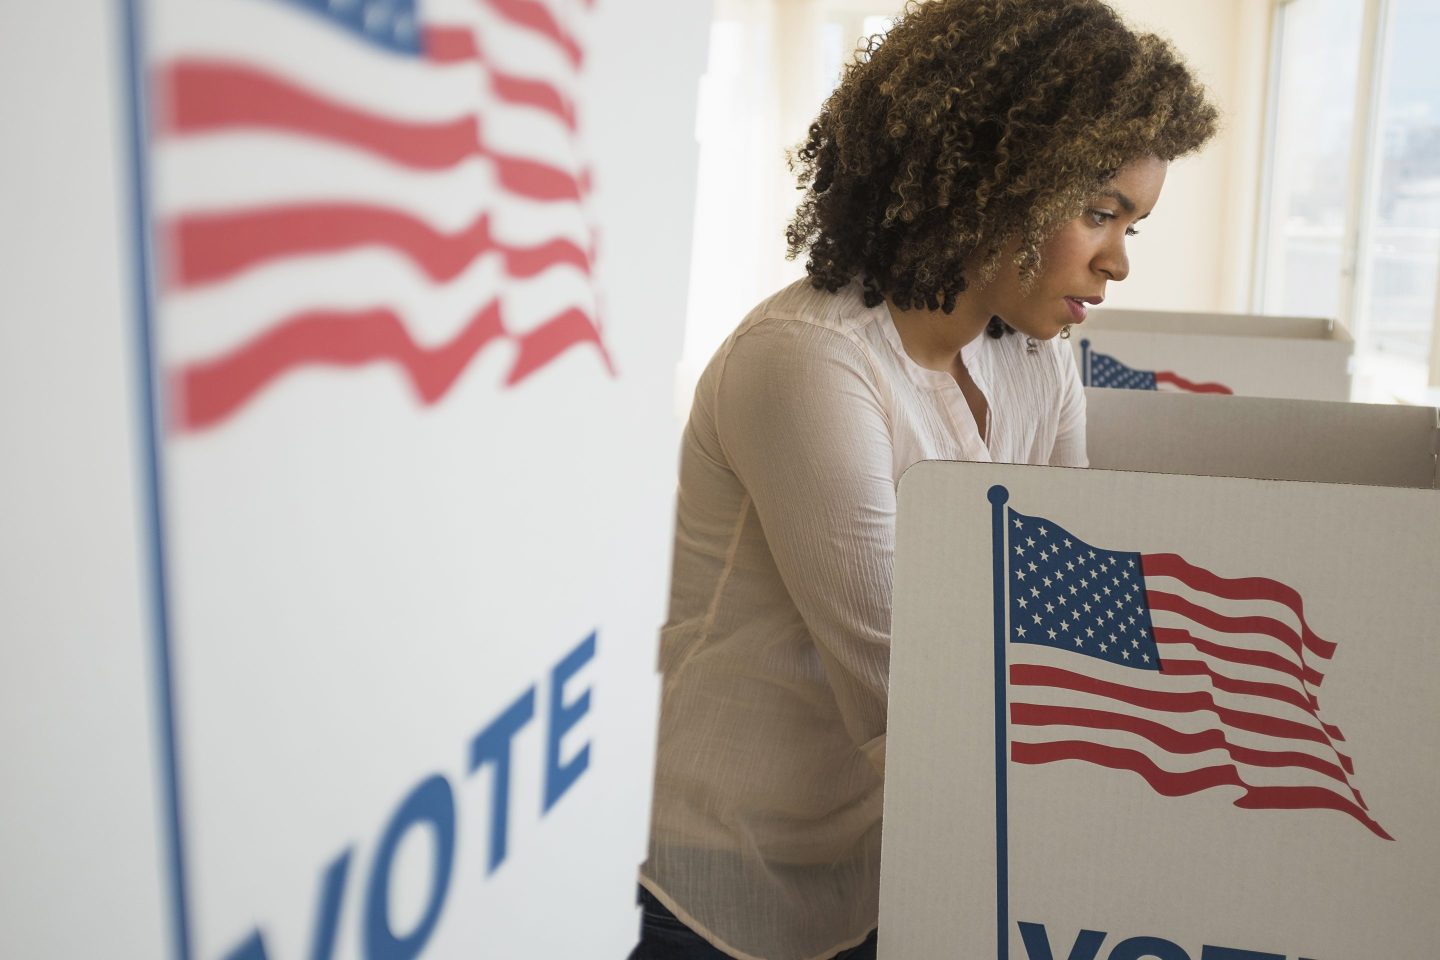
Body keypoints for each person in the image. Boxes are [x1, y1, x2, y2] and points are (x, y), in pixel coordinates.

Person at [632, 2, 1218, 958]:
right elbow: (914, 687)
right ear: (998, 179)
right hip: (718, 879)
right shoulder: (809, 362)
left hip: (886, 863)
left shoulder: (1038, 353)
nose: (1115, 259)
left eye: (1133, 226)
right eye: (1099, 212)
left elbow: (1055, 618)